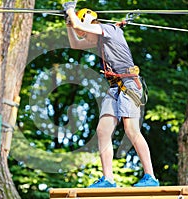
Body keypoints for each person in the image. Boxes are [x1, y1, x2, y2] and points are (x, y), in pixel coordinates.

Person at [62, 2, 160, 188]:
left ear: (92, 23)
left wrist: (69, 9)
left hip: (130, 84)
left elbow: (81, 26)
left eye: (85, 32)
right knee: (102, 130)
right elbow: (75, 44)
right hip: (115, 88)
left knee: (131, 130)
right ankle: (108, 179)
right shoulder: (98, 40)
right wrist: (69, 24)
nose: (85, 36)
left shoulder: (108, 29)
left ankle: (151, 177)